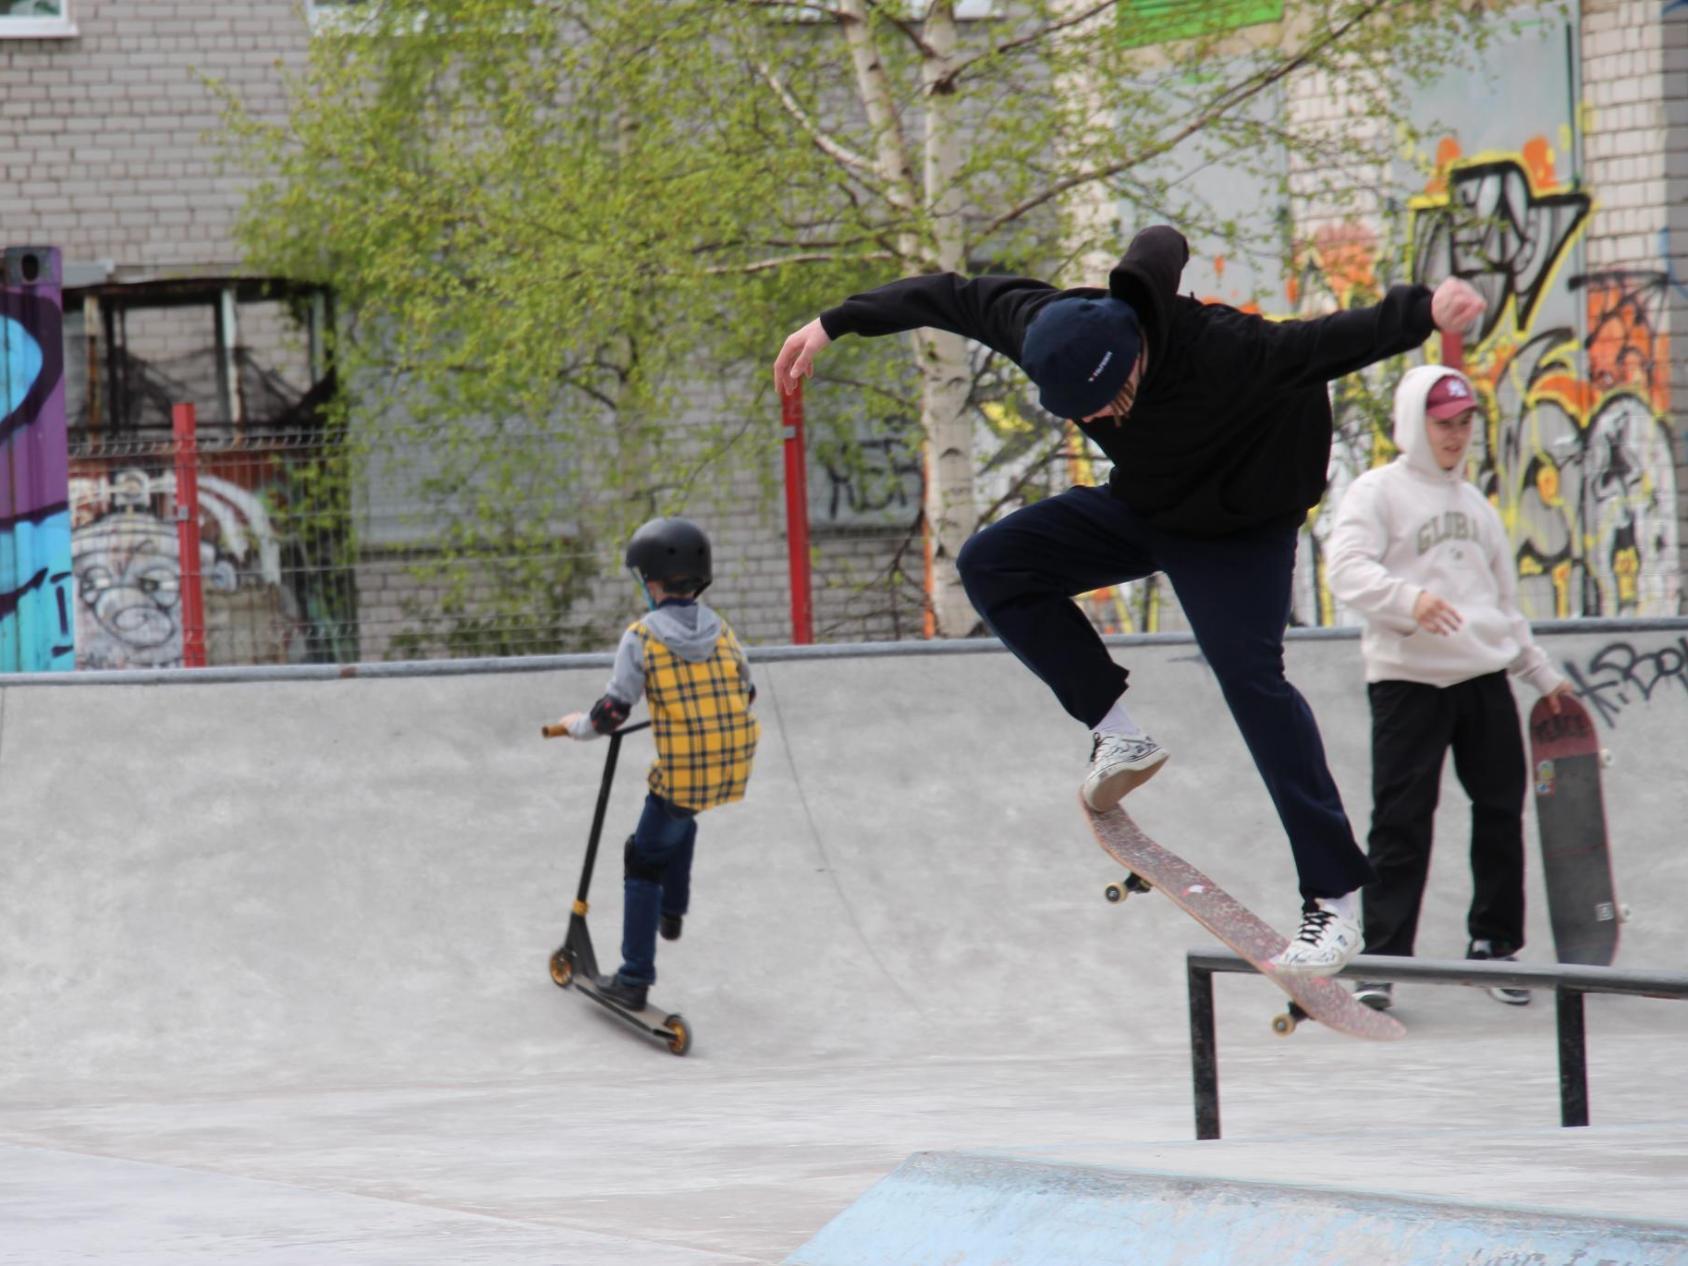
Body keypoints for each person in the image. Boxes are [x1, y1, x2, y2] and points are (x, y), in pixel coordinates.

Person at [773, 225, 1486, 976]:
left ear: (1138, 352)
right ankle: (1118, 731)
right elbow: (944, 296)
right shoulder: (1043, 326)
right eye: (1091, 413)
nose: (1108, 417)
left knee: (1251, 680)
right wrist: (833, 322)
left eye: (1116, 397)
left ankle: (1334, 900)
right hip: (1150, 507)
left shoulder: (1229, 350)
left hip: (1243, 528)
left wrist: (1425, 310)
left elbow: (1332, 340)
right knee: (993, 564)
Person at [1325, 366, 1572, 1009]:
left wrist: (1541, 676)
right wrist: (1409, 599)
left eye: (1465, 423)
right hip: (1408, 682)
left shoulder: (1477, 505)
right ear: (1415, 422)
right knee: (1402, 821)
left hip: (1484, 678)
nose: (1456, 436)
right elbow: (1346, 571)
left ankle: (1495, 945)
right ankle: (1381, 957)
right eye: (1443, 423)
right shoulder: (1378, 492)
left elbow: (1504, 602)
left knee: (1499, 812)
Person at [553, 516, 759, 1009]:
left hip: (685, 772)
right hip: (730, 765)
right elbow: (745, 692)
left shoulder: (641, 637)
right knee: (681, 816)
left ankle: (634, 977)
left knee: (641, 858)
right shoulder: (724, 631)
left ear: (650, 581)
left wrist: (574, 725)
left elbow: (611, 713)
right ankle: (674, 910)